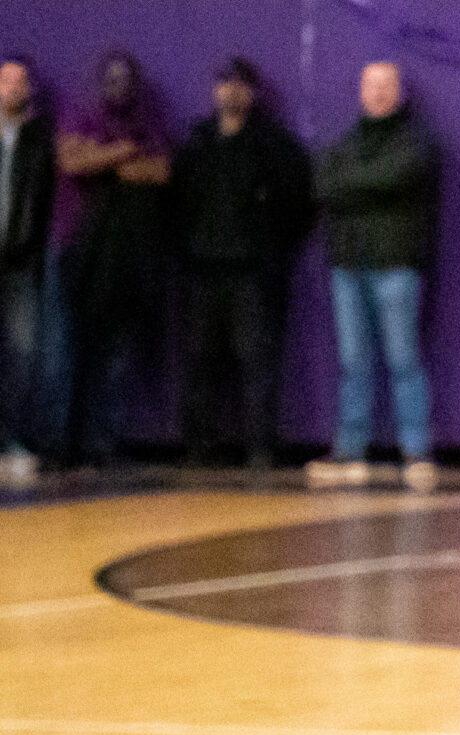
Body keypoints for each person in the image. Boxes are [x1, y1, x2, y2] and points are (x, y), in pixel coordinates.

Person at [171, 57, 312, 470]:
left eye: (239, 84)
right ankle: (198, 447)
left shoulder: (273, 145)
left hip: (251, 270)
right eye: (223, 83)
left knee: (257, 362)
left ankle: (260, 448)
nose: (230, 91)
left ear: (251, 92)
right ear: (214, 91)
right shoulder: (196, 144)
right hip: (202, 268)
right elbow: (177, 204)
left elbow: (297, 204)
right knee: (199, 362)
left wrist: (272, 249)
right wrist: (186, 249)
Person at [310, 60, 438, 492]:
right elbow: (324, 184)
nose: (378, 93)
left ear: (399, 93)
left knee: (403, 358)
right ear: (360, 91)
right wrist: (361, 185)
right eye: (371, 85)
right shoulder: (345, 143)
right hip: (349, 265)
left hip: (395, 265)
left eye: (387, 86)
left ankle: (416, 452)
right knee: (353, 362)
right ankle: (350, 451)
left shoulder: (415, 143)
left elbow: (391, 178)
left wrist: (354, 185)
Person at [54, 50, 169, 470]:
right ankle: (65, 444)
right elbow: (71, 161)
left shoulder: (147, 123)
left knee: (117, 361)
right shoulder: (84, 117)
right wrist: (121, 152)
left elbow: (160, 171)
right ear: (101, 83)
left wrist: (104, 156)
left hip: (129, 263)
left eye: (126, 79)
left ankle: (104, 443)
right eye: (111, 78)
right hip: (85, 256)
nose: (118, 85)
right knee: (75, 355)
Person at [0, 54, 54, 483]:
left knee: (22, 354)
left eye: (21, 81)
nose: (13, 88)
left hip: (18, 263)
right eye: (6, 80)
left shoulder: (38, 139)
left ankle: (12, 440)